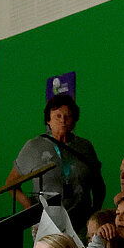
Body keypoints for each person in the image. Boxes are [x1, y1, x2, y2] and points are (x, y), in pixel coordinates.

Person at [7, 91, 104, 233]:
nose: (63, 120)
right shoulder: (34, 146)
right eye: (58, 116)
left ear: (74, 120)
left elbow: (99, 185)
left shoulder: (85, 147)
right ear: (48, 120)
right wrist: (28, 205)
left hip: (82, 225)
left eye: (68, 116)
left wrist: (95, 215)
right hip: (47, 225)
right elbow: (11, 183)